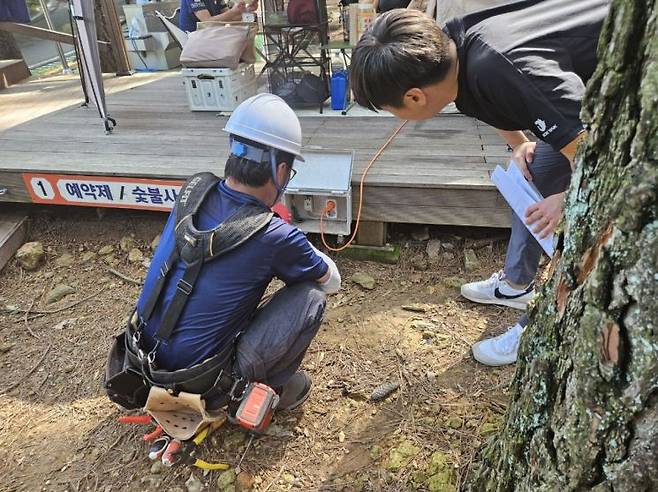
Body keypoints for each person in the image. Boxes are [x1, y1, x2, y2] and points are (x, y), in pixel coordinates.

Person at [349, 0, 609, 365]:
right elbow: (483, 102)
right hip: (582, 109)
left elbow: (600, 154)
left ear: (414, 97)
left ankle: (538, 326)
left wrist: (567, 199)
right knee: (536, 171)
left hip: (625, 110)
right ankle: (517, 285)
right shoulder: (453, 53)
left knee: (588, 222)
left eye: (394, 112)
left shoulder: (504, 69)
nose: (399, 119)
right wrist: (520, 144)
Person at [130, 93, 341, 412]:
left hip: (140, 355)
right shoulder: (274, 234)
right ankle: (258, 391)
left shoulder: (195, 190)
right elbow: (332, 281)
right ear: (281, 172)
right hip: (200, 379)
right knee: (311, 297)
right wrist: (290, 235)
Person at [179, 0, 258, 32]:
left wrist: (247, 10)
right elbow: (207, 22)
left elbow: (232, 18)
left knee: (245, 33)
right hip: (194, 38)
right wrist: (233, 11)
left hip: (212, 34)